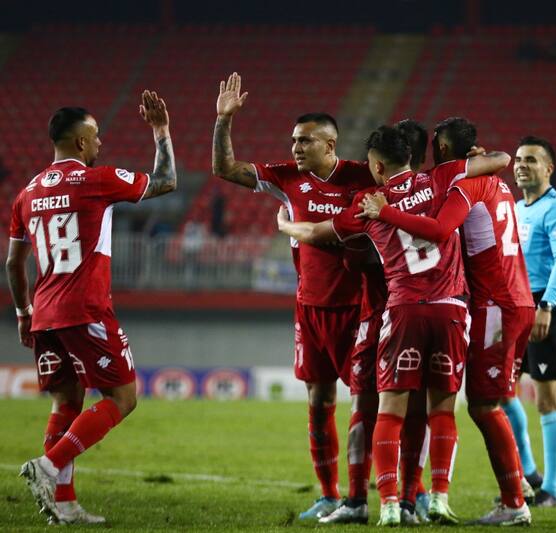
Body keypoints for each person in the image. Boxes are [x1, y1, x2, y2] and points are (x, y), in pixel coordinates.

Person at [277, 124, 510, 526]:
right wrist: (472, 157)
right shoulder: (441, 177)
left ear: (379, 166)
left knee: (388, 409)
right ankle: (434, 498)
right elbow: (501, 161)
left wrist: (285, 226)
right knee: (440, 408)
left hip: (401, 309)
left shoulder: (370, 200)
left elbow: (315, 232)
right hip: (452, 308)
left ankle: (384, 504)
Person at [211, 72, 375, 521]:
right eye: (293, 141)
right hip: (310, 308)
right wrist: (224, 121)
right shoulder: (288, 180)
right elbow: (225, 169)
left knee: (364, 402)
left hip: (358, 308)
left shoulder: (361, 179)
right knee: (318, 401)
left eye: (305, 141)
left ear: (330, 144)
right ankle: (328, 494)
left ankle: (360, 498)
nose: (295, 148)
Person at [8, 93, 177, 524]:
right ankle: (46, 466)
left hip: (43, 312)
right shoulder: (95, 179)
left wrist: (24, 312)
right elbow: (165, 180)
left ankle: (63, 504)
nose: (100, 143)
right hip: (84, 308)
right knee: (123, 397)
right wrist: (160, 131)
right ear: (81, 143)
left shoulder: (25, 195)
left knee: (66, 401)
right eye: (96, 136)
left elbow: (13, 262)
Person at [358, 117, 535, 525]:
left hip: (493, 301)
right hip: (509, 297)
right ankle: (505, 489)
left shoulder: (461, 184)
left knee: (484, 405)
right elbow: (502, 158)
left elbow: (438, 229)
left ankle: (515, 500)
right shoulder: (494, 178)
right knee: (481, 401)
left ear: (440, 148)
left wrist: (385, 211)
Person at [507, 136, 556, 508]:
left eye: (531, 160)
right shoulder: (517, 209)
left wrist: (546, 305)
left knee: (547, 398)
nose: (521, 165)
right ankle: (530, 472)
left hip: (546, 306)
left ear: (548, 169)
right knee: (500, 392)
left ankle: (551, 488)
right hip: (516, 305)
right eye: (518, 159)